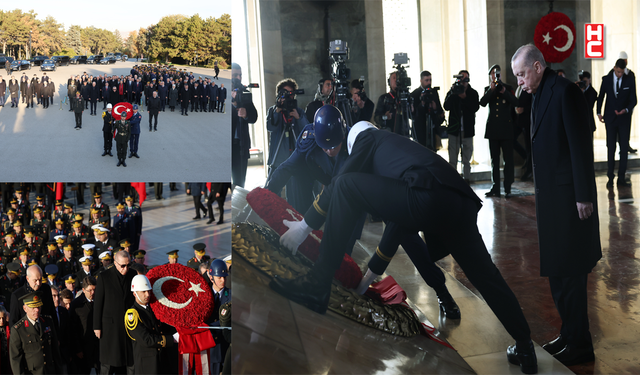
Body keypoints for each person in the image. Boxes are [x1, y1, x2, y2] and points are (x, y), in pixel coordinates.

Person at [273, 122, 537, 374]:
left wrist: (304, 227)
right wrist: (366, 281)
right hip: (459, 203)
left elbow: (343, 179)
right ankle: (525, 346)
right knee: (487, 277)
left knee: (343, 184)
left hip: (428, 196)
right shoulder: (399, 154)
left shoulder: (366, 137)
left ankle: (317, 284)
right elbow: (397, 226)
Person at [511, 43, 601, 367]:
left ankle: (581, 344)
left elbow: (580, 146)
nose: (518, 81)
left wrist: (584, 196)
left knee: (572, 275)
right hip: (550, 199)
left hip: (570, 200)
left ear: (537, 67)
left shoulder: (566, 92)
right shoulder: (536, 93)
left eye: (521, 74)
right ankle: (568, 335)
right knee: (557, 274)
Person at [266, 78, 310, 209]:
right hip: (278, 158)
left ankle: (294, 216)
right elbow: (270, 127)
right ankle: (272, 214)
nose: (288, 96)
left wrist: (298, 118)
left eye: (291, 93)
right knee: (273, 191)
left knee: (294, 193)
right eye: (284, 93)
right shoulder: (273, 111)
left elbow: (307, 131)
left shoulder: (299, 111)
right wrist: (277, 111)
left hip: (294, 159)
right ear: (279, 95)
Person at [93, 250, 136, 374]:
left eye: (128, 265)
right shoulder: (104, 276)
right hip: (110, 327)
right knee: (108, 364)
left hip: (128, 324)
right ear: (115, 263)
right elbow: (98, 303)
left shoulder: (133, 274)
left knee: (128, 360)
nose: (126, 269)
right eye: (123, 266)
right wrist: (97, 326)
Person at [596, 58, 638, 187]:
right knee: (611, 147)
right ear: (615, 68)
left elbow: (634, 100)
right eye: (618, 71)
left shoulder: (629, 79)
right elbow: (601, 96)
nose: (620, 74)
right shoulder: (606, 79)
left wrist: (625, 110)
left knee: (624, 148)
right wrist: (598, 112)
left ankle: (621, 177)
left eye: (622, 72)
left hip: (624, 119)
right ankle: (610, 175)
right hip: (610, 118)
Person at [480, 64, 518, 198]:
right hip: (493, 130)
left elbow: (516, 102)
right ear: (490, 76)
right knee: (494, 160)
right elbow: (482, 103)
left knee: (508, 160)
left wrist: (504, 93)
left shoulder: (508, 88)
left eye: (497, 74)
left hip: (506, 129)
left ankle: (508, 187)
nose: (495, 76)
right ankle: (495, 187)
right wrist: (491, 91)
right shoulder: (488, 89)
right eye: (493, 74)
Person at [125, 274, 174, 374]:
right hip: (147, 365)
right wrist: (171, 339)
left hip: (160, 362)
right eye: (143, 291)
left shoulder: (153, 309)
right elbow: (146, 340)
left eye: (148, 291)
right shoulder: (132, 314)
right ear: (135, 293)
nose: (147, 294)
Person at [9, 291, 63, 374]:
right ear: (25, 308)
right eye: (33, 307)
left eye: (38, 306)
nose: (37, 310)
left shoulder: (47, 321)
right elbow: (16, 360)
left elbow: (55, 350)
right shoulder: (18, 329)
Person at [443, 70, 480, 182]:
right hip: (454, 130)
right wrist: (453, 93)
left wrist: (464, 97)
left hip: (467, 131)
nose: (463, 82)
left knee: (466, 159)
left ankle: (467, 179)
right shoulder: (453, 91)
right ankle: (453, 180)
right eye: (461, 79)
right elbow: (446, 106)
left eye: (466, 79)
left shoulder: (472, 93)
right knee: (453, 158)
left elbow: (475, 108)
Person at [231, 63, 258, 188]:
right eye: (235, 75)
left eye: (240, 75)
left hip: (240, 146)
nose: (238, 78)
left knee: (239, 185)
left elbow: (254, 117)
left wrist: (246, 114)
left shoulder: (244, 93)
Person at [70, 276, 99, 375]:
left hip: (99, 347)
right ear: (83, 290)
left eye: (94, 289)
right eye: (89, 290)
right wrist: (78, 349)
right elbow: (73, 329)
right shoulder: (76, 305)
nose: (93, 293)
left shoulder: (100, 300)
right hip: (84, 348)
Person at [207, 259, 231, 375]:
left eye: (225, 277)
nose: (223, 280)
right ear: (211, 278)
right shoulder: (204, 295)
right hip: (208, 347)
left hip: (224, 348)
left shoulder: (231, 295)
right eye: (219, 277)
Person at [410, 71, 445, 148]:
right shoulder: (415, 94)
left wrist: (435, 108)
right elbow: (413, 114)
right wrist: (422, 104)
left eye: (430, 80)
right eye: (426, 80)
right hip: (420, 129)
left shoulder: (434, 93)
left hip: (433, 128)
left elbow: (440, 110)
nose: (429, 82)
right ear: (421, 80)